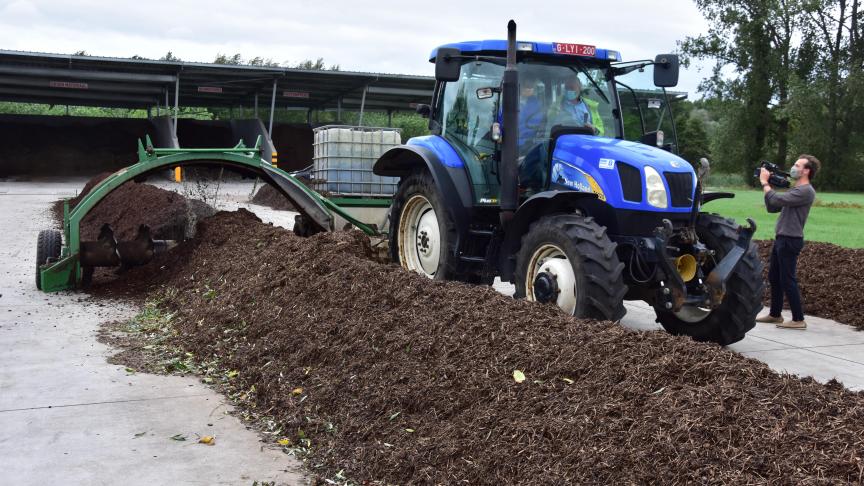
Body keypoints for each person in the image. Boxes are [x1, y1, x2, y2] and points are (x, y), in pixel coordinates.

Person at [755, 155, 820, 329]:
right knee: (774, 277)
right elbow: (772, 206)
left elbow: (775, 199)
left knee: (787, 279)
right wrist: (769, 187)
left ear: (807, 170)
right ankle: (775, 315)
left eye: (797, 165)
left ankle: (798, 319)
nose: (793, 167)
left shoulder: (806, 191)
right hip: (782, 239)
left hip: (790, 240)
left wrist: (765, 183)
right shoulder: (795, 190)